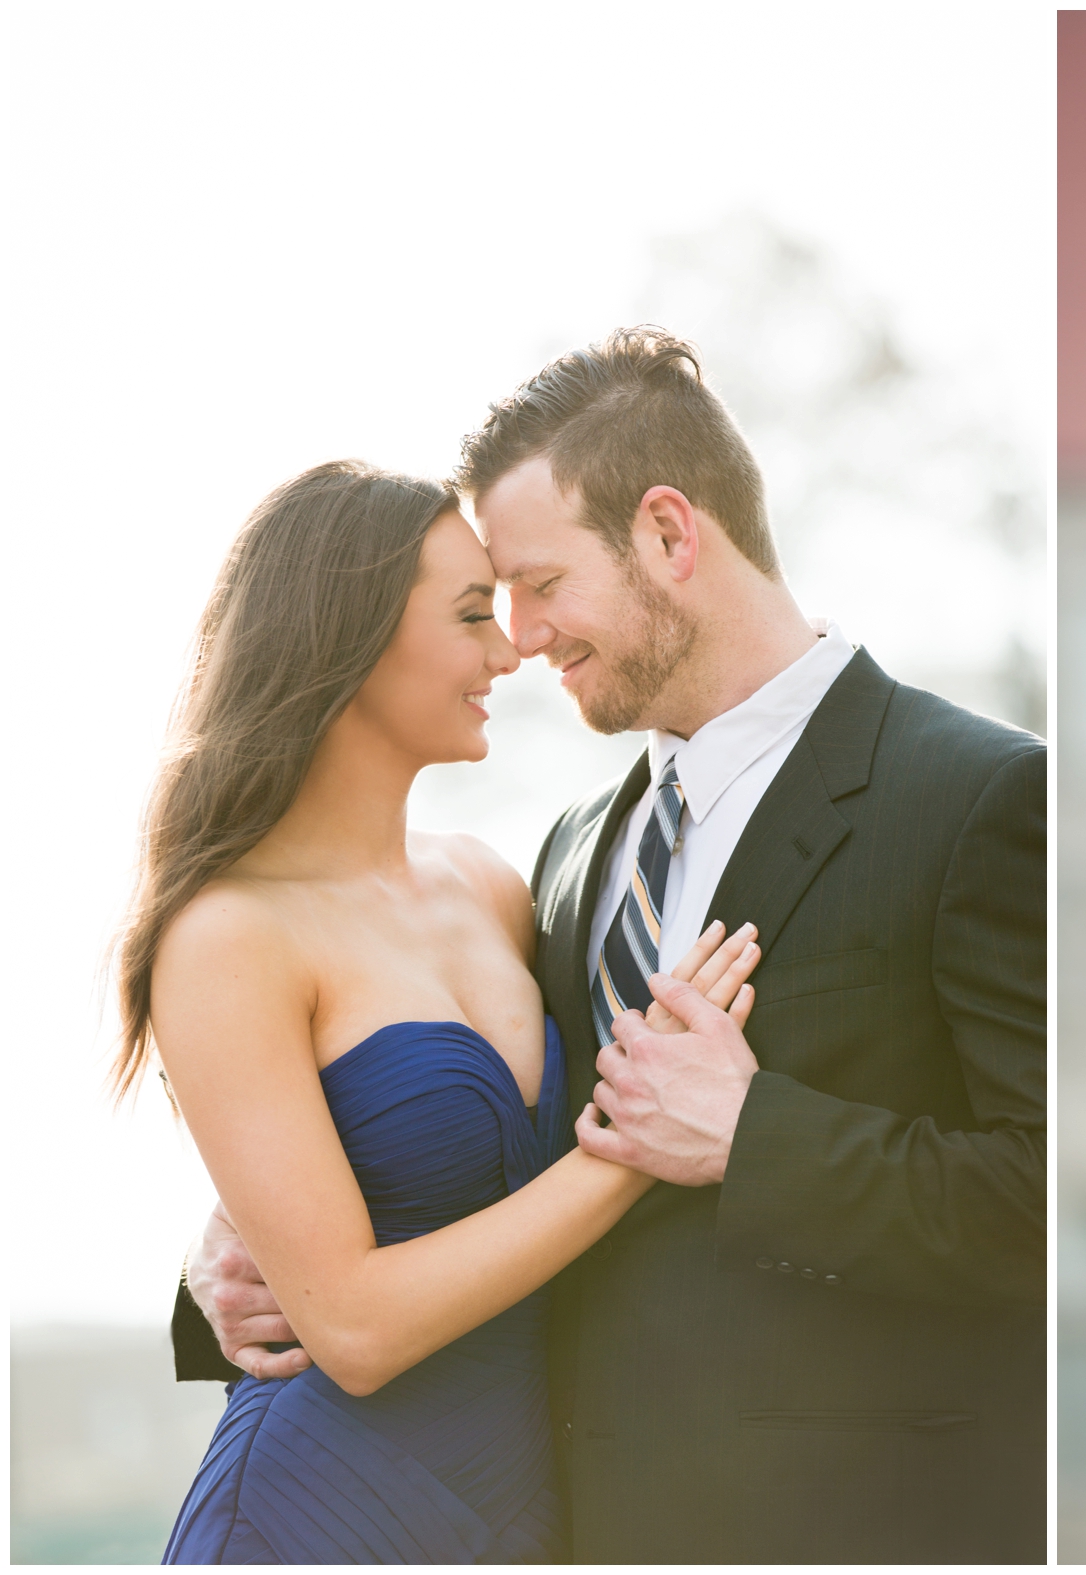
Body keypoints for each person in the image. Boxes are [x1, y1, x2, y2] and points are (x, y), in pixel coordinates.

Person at [177, 330, 1048, 1563]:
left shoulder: (980, 798)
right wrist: (243, 1248)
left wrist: (758, 1139)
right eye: (490, 603)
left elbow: (1052, 1195)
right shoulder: (576, 854)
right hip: (547, 1522)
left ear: (667, 536)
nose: (520, 638)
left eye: (535, 584)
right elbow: (473, 1144)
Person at [126, 462, 762, 1562]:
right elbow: (357, 1329)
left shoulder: (493, 888)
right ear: (349, 635)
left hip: (527, 1507)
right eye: (473, 614)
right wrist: (639, 1142)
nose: (510, 652)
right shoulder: (226, 937)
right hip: (322, 1508)